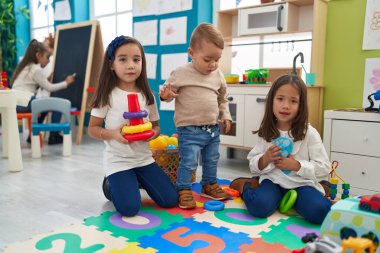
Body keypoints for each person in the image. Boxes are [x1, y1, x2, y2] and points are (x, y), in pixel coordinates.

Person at [88, 35, 178, 217]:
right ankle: (110, 185)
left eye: (136, 60)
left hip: (144, 159)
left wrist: (152, 133)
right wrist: (113, 134)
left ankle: (135, 181)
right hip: (119, 161)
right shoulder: (107, 95)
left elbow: (157, 127)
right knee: (130, 209)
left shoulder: (148, 96)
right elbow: (93, 129)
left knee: (170, 200)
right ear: (111, 64)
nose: (131, 65)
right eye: (123, 59)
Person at [229, 74, 332, 224]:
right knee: (259, 207)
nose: (285, 106)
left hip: (301, 184)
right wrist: (265, 159)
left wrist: (297, 166)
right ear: (271, 101)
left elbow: (324, 168)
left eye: (293, 101)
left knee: (321, 212)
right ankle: (246, 186)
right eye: (280, 99)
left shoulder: (309, 133)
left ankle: (319, 189)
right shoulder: (267, 132)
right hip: (273, 181)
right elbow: (253, 164)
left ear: (301, 105)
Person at [159, 23, 232, 209]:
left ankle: (209, 184)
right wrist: (165, 95)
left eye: (217, 59)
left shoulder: (218, 74)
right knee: (189, 161)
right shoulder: (180, 73)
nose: (213, 64)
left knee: (212, 158)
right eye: (208, 59)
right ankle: (183, 188)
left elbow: (223, 98)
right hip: (189, 129)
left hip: (212, 128)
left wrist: (226, 115)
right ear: (191, 53)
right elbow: (166, 93)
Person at [10, 39, 75, 144]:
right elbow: (49, 87)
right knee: (56, 104)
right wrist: (66, 83)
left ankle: (33, 134)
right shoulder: (36, 69)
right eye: (47, 57)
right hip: (25, 103)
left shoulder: (25, 67)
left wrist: (46, 80)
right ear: (38, 55)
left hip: (16, 103)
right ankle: (54, 135)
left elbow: (31, 85)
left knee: (43, 106)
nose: (48, 60)